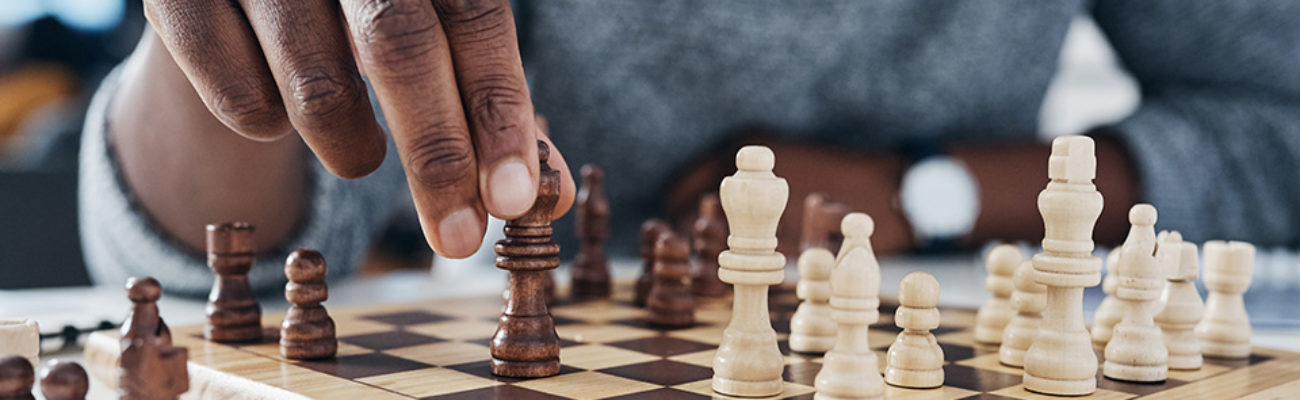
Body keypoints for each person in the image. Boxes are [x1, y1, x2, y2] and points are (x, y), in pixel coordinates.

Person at [79, 1, 1300, 295]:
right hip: (466, 314)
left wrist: (918, 190)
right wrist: (224, 53)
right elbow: (202, 275)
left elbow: (1274, 125)